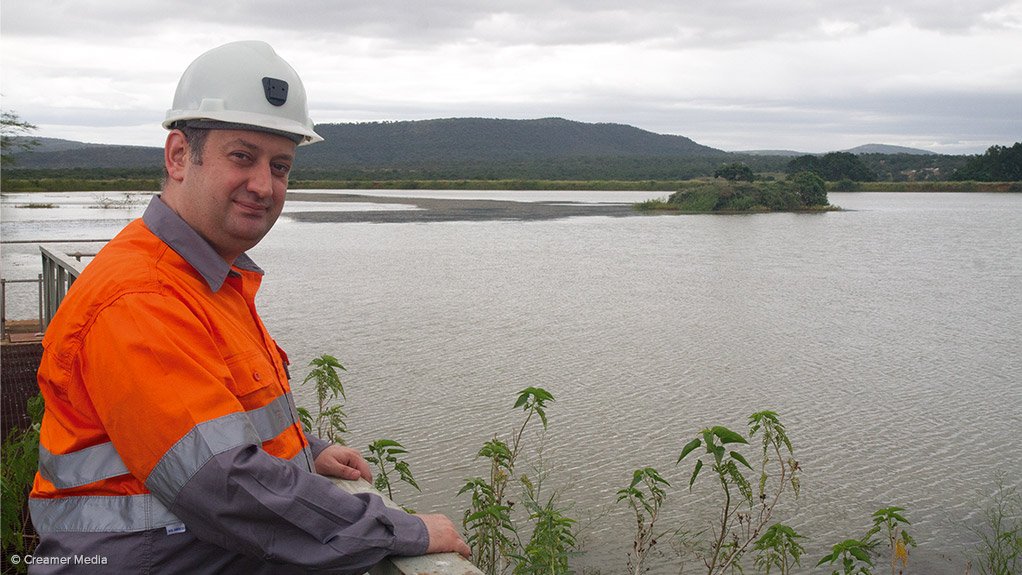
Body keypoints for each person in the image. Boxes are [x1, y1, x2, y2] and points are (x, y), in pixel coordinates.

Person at [28, 40, 470, 573]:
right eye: (242, 156)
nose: (263, 185)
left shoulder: (206, 278)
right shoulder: (141, 297)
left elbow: (206, 420)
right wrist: (401, 529)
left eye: (280, 166)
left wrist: (303, 449)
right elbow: (224, 485)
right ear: (178, 157)